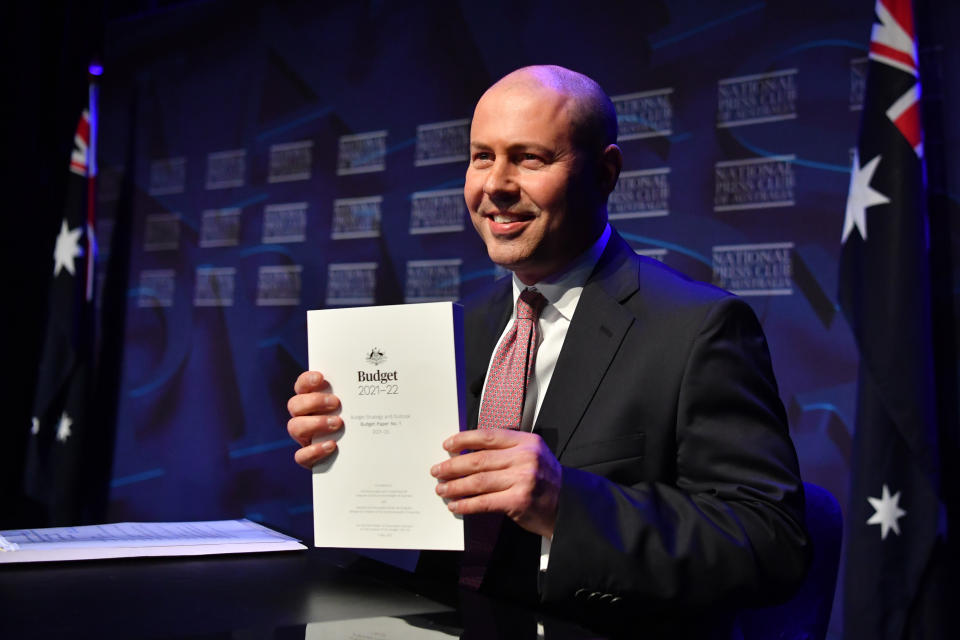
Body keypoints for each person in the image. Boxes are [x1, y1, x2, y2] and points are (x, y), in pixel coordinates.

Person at [287, 65, 809, 636]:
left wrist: (568, 506)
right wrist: (349, 446)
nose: (496, 185)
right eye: (482, 156)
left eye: (530, 158)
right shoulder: (464, 329)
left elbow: (770, 542)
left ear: (605, 172)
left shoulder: (698, 328)